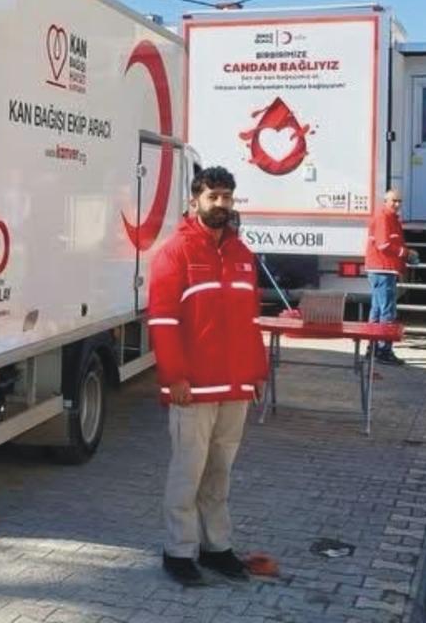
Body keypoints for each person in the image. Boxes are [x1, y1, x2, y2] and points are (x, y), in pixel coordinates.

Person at [148, 166, 269, 587]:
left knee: (219, 472)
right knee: (188, 473)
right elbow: (163, 321)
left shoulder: (242, 255)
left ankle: (216, 547)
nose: (221, 204)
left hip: (235, 386)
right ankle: (178, 551)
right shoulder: (175, 253)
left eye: (227, 197)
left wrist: (257, 372)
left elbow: (250, 320)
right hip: (193, 388)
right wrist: (174, 377)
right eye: (213, 196)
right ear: (194, 201)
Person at [364, 189, 414, 365]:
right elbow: (384, 244)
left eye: (399, 201)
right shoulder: (384, 218)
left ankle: (373, 349)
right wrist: (406, 253)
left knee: (378, 310)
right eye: (394, 201)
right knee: (387, 311)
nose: (397, 204)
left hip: (383, 269)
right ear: (385, 201)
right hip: (382, 269)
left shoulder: (391, 218)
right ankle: (383, 351)